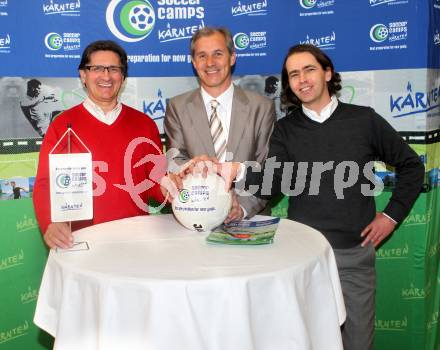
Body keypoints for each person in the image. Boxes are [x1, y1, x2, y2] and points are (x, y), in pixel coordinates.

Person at [216, 44, 424, 350]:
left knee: (357, 343)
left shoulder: (364, 120)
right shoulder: (285, 130)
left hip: (354, 256)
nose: (302, 80)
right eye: (293, 74)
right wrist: (237, 171)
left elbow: (411, 166)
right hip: (305, 259)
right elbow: (272, 183)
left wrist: (391, 216)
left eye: (309, 69)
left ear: (327, 73)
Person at [33, 40, 165, 249]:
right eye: (96, 69)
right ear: (83, 75)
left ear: (122, 77)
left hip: (137, 240)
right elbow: (45, 183)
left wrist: (171, 189)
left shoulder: (145, 124)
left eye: (113, 69)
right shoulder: (62, 125)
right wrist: (49, 222)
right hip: (80, 240)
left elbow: (155, 187)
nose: (106, 76)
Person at [164, 26, 275, 221]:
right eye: (202, 56)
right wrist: (191, 167)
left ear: (232, 57)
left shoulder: (262, 107)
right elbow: (175, 162)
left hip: (249, 219)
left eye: (218, 54)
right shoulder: (177, 107)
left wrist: (241, 208)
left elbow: (267, 169)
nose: (210, 63)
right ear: (194, 62)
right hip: (196, 215)